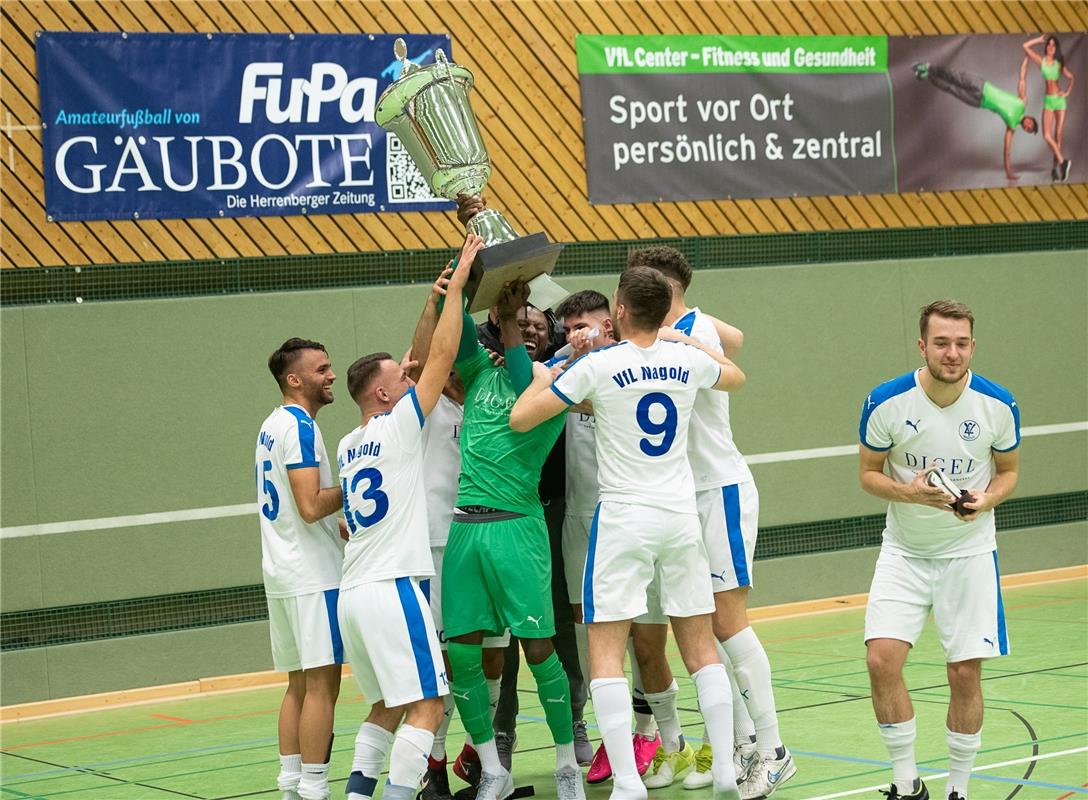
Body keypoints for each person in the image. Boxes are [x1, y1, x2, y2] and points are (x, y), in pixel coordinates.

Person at [510, 266, 747, 800]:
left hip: (621, 520)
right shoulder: (685, 360)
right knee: (700, 647)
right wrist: (685, 339)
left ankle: (626, 783)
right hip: (680, 517)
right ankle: (727, 771)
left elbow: (522, 418)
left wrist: (552, 374)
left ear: (618, 308)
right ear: (663, 311)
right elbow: (734, 374)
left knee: (605, 651)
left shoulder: (600, 365)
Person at [626, 247, 794, 799]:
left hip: (716, 489)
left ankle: (773, 750)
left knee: (728, 621)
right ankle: (745, 743)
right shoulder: (682, 329)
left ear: (664, 291)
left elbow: (729, 357)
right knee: (702, 625)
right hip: (682, 498)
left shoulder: (690, 336)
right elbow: (735, 335)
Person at [335, 234, 484, 800]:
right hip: (393, 587)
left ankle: (355, 793)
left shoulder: (351, 442)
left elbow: (423, 359)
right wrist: (459, 285)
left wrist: (431, 300)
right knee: (427, 703)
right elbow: (441, 357)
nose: (411, 374)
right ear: (381, 391)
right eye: (401, 376)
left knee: (386, 704)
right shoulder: (399, 426)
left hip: (353, 591)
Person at [859, 300, 1020, 800]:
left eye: (962, 343)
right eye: (942, 342)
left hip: (969, 555)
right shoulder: (886, 401)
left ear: (973, 346)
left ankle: (958, 790)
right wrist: (910, 493)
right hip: (903, 552)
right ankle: (907, 784)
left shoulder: (998, 404)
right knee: (882, 661)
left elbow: (1009, 471)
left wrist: (986, 499)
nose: (953, 353)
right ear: (922, 345)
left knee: (963, 672)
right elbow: (868, 474)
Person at [441, 275, 586, 800]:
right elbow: (454, 338)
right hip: (465, 528)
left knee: (540, 648)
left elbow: (525, 376)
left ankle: (566, 761)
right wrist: (457, 284)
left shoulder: (551, 384)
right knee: (460, 654)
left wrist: (505, 319)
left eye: (532, 323)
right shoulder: (480, 373)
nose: (523, 327)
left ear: (546, 336)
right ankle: (493, 768)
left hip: (517, 530)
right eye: (513, 321)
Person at [404, 265, 513, 798]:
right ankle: (436, 761)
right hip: (440, 543)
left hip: (491, 539)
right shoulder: (420, 410)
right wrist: (438, 300)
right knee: (451, 658)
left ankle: (479, 752)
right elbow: (425, 353)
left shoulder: (490, 401)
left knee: (495, 651)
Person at [550, 290, 663, 785]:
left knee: (643, 631)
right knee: (590, 633)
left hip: (632, 514)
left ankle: (651, 728)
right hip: (580, 517)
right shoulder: (563, 367)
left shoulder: (632, 364)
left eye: (586, 325)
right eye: (569, 326)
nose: (577, 334)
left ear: (611, 324)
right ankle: (613, 736)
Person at [256, 338, 346, 800]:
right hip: (314, 574)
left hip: (281, 572)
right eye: (322, 369)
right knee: (321, 686)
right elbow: (310, 505)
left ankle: (291, 785)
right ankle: (315, 788)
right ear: (295, 379)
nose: (331, 375)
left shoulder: (270, 425)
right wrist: (353, 485)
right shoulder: (301, 427)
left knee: (297, 685)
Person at [912, 60, 1038, 180]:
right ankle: (928, 67)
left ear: (1025, 129)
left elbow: (1007, 151)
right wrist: (1027, 56)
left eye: (1028, 129)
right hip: (981, 85)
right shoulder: (1022, 103)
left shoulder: (1012, 126)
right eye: (1030, 124)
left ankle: (927, 75)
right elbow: (1022, 77)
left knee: (951, 88)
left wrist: (1009, 172)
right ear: (1030, 118)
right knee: (953, 76)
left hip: (978, 101)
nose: (1027, 126)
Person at [1023, 34, 1075, 180]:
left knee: (1058, 135)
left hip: (1060, 101)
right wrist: (1038, 40)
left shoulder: (1059, 63)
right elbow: (1025, 47)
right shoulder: (1041, 61)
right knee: (1047, 135)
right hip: (1049, 101)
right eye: (1048, 44)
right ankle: (1063, 162)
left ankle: (1056, 170)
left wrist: (1067, 92)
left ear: (1056, 48)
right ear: (1046, 47)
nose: (1051, 47)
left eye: (1053, 45)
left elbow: (1072, 77)